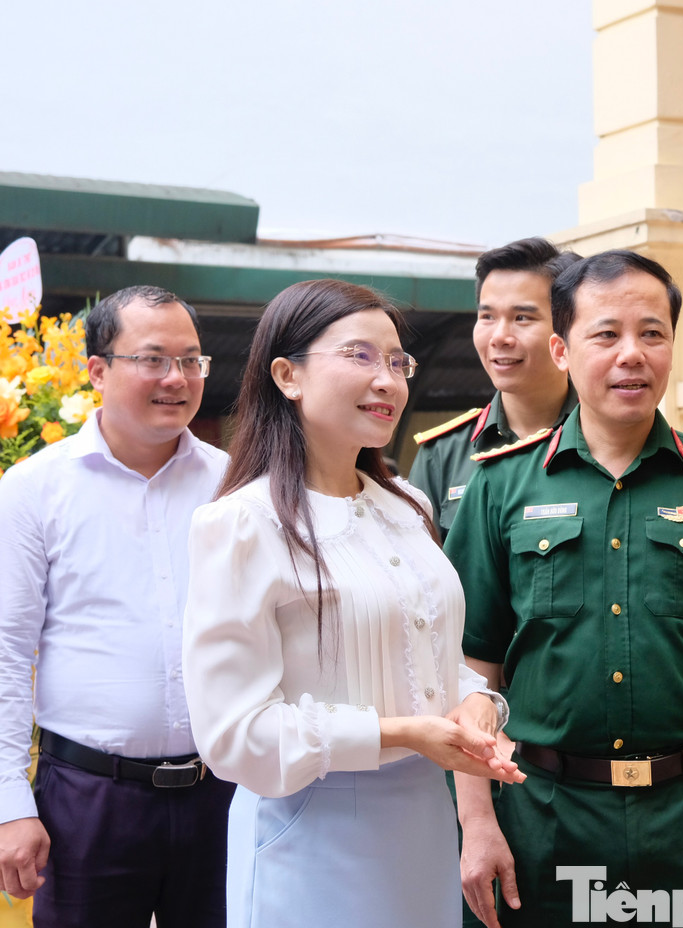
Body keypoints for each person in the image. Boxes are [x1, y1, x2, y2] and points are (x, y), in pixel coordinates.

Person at [445, 250, 683, 927]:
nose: (632, 354)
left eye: (652, 333)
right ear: (563, 350)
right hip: (547, 817)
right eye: (607, 334)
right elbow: (471, 663)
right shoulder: (500, 486)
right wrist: (476, 820)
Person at [180, 279, 525, 927]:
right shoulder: (241, 524)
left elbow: (429, 659)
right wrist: (399, 732)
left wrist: (478, 701)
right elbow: (233, 737)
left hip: (422, 813)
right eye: (360, 356)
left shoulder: (407, 508)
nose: (388, 380)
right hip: (311, 823)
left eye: (397, 362)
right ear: (287, 375)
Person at [0, 285, 234, 927]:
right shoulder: (32, 489)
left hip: (224, 792)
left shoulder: (235, 483)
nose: (177, 379)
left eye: (191, 361)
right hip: (88, 801)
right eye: (153, 359)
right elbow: (6, 654)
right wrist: (9, 804)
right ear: (98, 370)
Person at [410, 237, 580, 543]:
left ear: (567, 328)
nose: (499, 336)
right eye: (487, 316)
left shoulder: (608, 439)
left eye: (522, 318)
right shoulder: (442, 455)